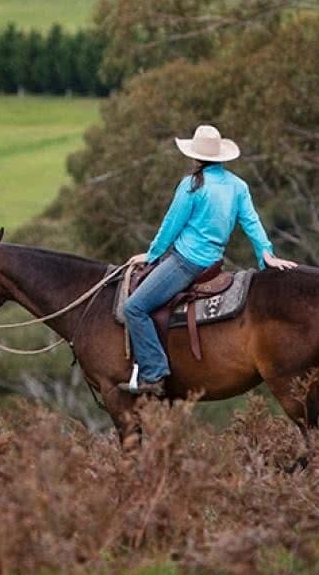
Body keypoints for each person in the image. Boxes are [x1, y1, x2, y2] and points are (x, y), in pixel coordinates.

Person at [120, 124, 297, 397]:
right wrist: (266, 254)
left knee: (134, 307)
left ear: (195, 156)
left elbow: (171, 225)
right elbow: (251, 222)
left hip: (185, 262)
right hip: (213, 263)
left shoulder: (192, 185)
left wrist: (152, 255)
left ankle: (154, 372)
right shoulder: (238, 186)